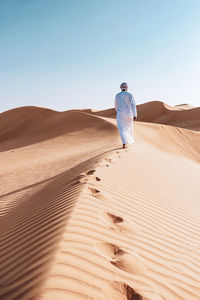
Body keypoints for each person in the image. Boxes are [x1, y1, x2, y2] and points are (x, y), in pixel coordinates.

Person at [114, 82, 137, 149]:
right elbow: (133, 105)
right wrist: (134, 114)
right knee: (129, 128)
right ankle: (129, 141)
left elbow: (116, 105)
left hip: (120, 114)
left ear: (121, 88)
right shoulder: (130, 95)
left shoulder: (117, 95)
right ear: (127, 88)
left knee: (122, 129)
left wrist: (118, 111)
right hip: (129, 114)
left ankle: (124, 143)